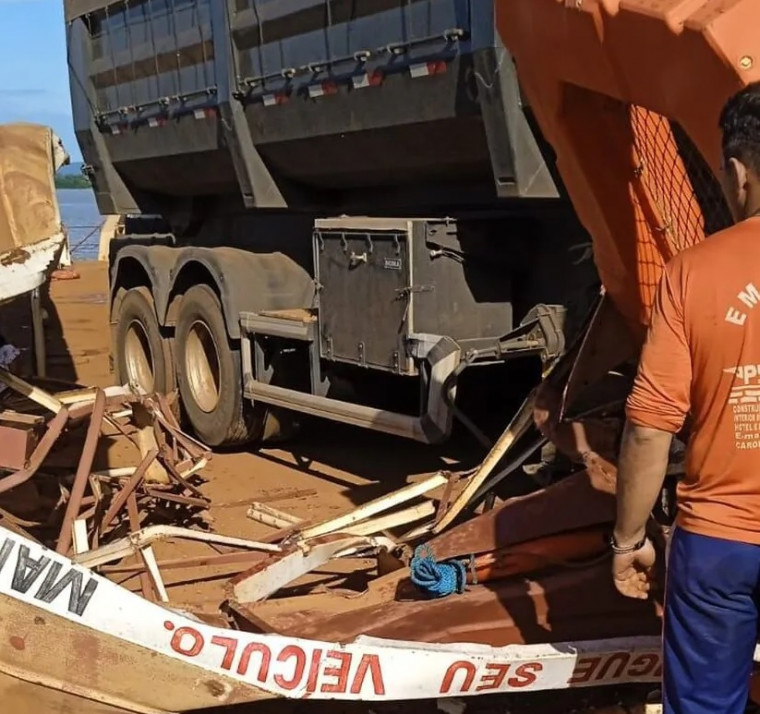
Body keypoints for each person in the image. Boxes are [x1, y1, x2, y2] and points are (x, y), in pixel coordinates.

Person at [611, 81, 760, 714]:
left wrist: (628, 540)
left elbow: (649, 428)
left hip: (719, 547)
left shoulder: (692, 272)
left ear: (735, 171)